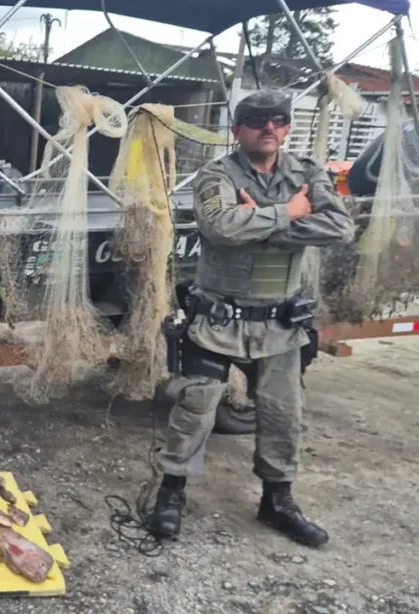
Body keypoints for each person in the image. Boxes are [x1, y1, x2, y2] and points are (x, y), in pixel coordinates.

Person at [148, 90, 355, 548]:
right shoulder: (218, 174)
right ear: (237, 130)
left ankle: (277, 502)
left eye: (277, 120)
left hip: (280, 324)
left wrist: (260, 222)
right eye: (257, 121)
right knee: (195, 410)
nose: (268, 128)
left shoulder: (306, 172)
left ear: (287, 128)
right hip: (217, 320)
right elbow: (218, 226)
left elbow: (340, 227)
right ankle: (171, 492)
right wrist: (290, 212)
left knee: (283, 414)